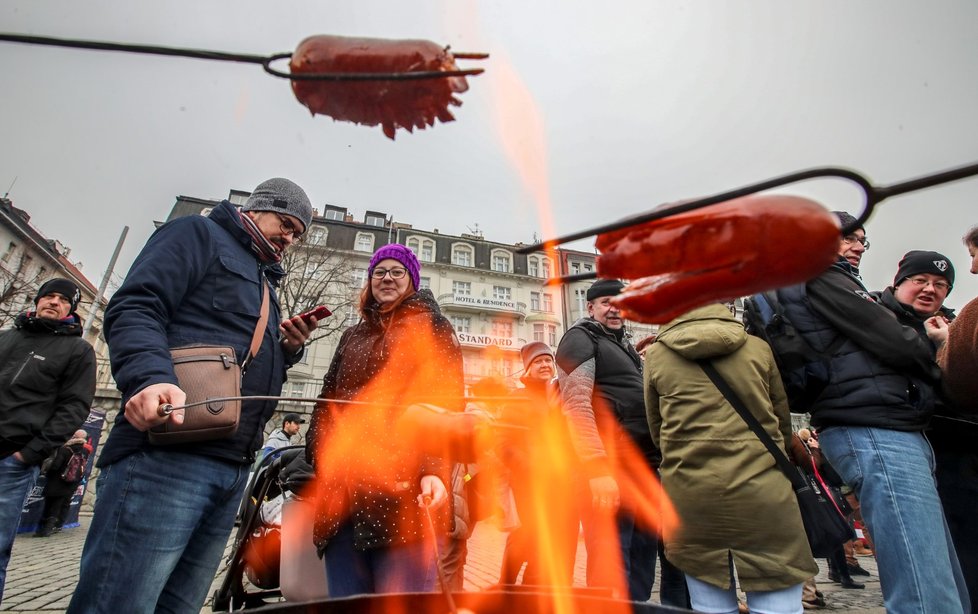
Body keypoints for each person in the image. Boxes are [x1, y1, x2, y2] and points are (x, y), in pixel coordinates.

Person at [68, 178, 316, 614]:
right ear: (258, 208)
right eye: (286, 223)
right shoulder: (197, 234)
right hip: (167, 459)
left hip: (231, 468)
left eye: (298, 234)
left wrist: (288, 349)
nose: (289, 238)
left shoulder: (266, 282)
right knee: (119, 603)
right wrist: (148, 377)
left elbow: (238, 358)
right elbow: (137, 305)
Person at [777, 212, 969, 612]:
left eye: (863, 240)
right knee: (925, 586)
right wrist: (937, 346)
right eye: (848, 238)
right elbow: (895, 344)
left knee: (940, 578)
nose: (859, 247)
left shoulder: (841, 282)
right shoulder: (823, 276)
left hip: (890, 429)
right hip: (876, 432)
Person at [306, 243, 464, 597]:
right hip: (342, 497)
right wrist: (321, 456)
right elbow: (326, 402)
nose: (387, 278)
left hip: (404, 495)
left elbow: (446, 403)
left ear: (412, 280)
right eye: (379, 271)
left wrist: (433, 470)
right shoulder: (352, 335)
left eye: (397, 271)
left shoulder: (434, 327)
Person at [645, 303, 818, 613]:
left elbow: (658, 430)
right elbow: (780, 423)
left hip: (691, 492)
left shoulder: (658, 354)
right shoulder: (758, 349)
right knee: (778, 604)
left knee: (709, 606)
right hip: (762, 488)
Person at [555, 278, 661, 601]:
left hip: (640, 468)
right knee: (611, 563)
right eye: (606, 302)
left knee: (642, 562)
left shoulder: (623, 346)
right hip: (608, 469)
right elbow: (575, 405)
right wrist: (597, 469)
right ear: (590, 307)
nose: (615, 308)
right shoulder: (579, 338)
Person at [0, 278, 96, 604]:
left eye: (62, 299)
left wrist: (28, 454)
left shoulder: (77, 350)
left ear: (71, 308)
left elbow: (74, 408)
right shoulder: (7, 338)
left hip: (11, 461)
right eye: (49, 296)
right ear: (38, 300)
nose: (54, 302)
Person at [497, 341, 579, 587]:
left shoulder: (559, 395)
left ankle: (534, 587)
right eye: (538, 361)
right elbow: (502, 443)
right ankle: (506, 585)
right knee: (529, 534)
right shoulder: (518, 399)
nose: (544, 365)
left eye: (547, 360)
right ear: (527, 369)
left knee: (552, 540)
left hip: (560, 481)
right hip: (529, 482)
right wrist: (527, 467)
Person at [933, 225, 978, 613]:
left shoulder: (974, 312)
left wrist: (945, 344)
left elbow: (961, 380)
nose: (975, 269)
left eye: (976, 255)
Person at [35, 428, 93, 537]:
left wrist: (47, 471)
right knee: (61, 505)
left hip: (57, 481)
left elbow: (56, 465)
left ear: (74, 436)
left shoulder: (65, 449)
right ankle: (57, 525)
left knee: (49, 505)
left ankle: (44, 530)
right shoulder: (85, 451)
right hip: (72, 482)